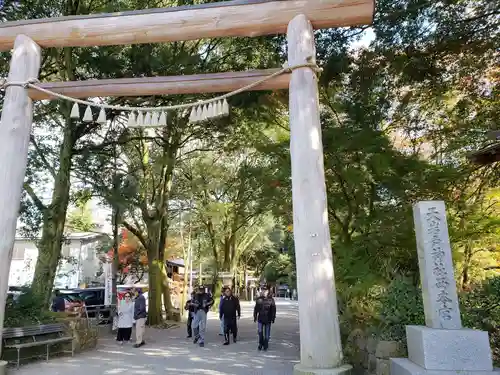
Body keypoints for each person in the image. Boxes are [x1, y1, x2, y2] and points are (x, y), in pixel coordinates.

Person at [253, 287, 276, 351]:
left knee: (267, 334)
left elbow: (273, 310)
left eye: (265, 290)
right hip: (260, 319)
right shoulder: (259, 299)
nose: (263, 292)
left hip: (268, 319)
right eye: (262, 290)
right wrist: (255, 316)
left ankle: (266, 344)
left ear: (268, 291)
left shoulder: (271, 300)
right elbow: (256, 309)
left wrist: (273, 318)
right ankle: (260, 343)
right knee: (260, 332)